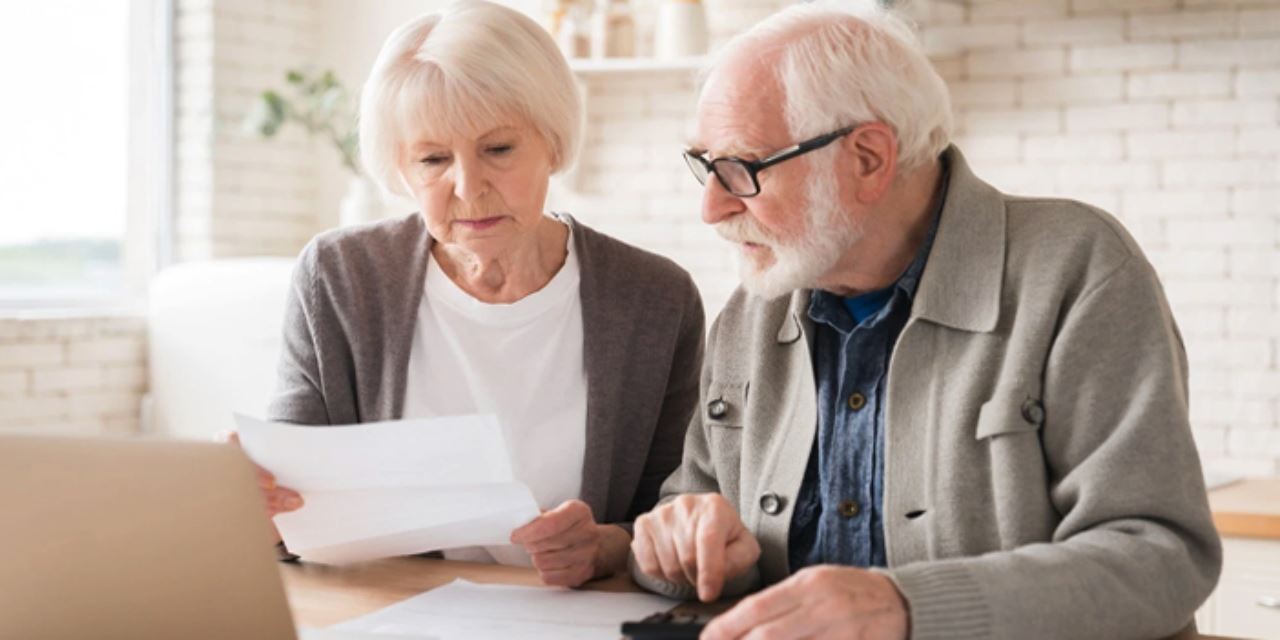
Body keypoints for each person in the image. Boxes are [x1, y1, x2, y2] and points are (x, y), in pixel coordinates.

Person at [629, 2, 1222, 638]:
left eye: (741, 168)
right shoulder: (755, 307)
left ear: (867, 159)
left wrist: (905, 606)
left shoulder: (1076, 269)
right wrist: (684, 547)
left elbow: (1162, 557)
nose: (712, 208)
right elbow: (688, 511)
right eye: (704, 164)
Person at [233, 0, 704, 589]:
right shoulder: (338, 279)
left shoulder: (656, 300)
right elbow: (289, 509)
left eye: (498, 149)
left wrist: (607, 546)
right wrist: (255, 502)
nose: (468, 187)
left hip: (573, 616)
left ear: (553, 143)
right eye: (433, 159)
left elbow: (682, 512)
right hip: (390, 615)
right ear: (401, 171)